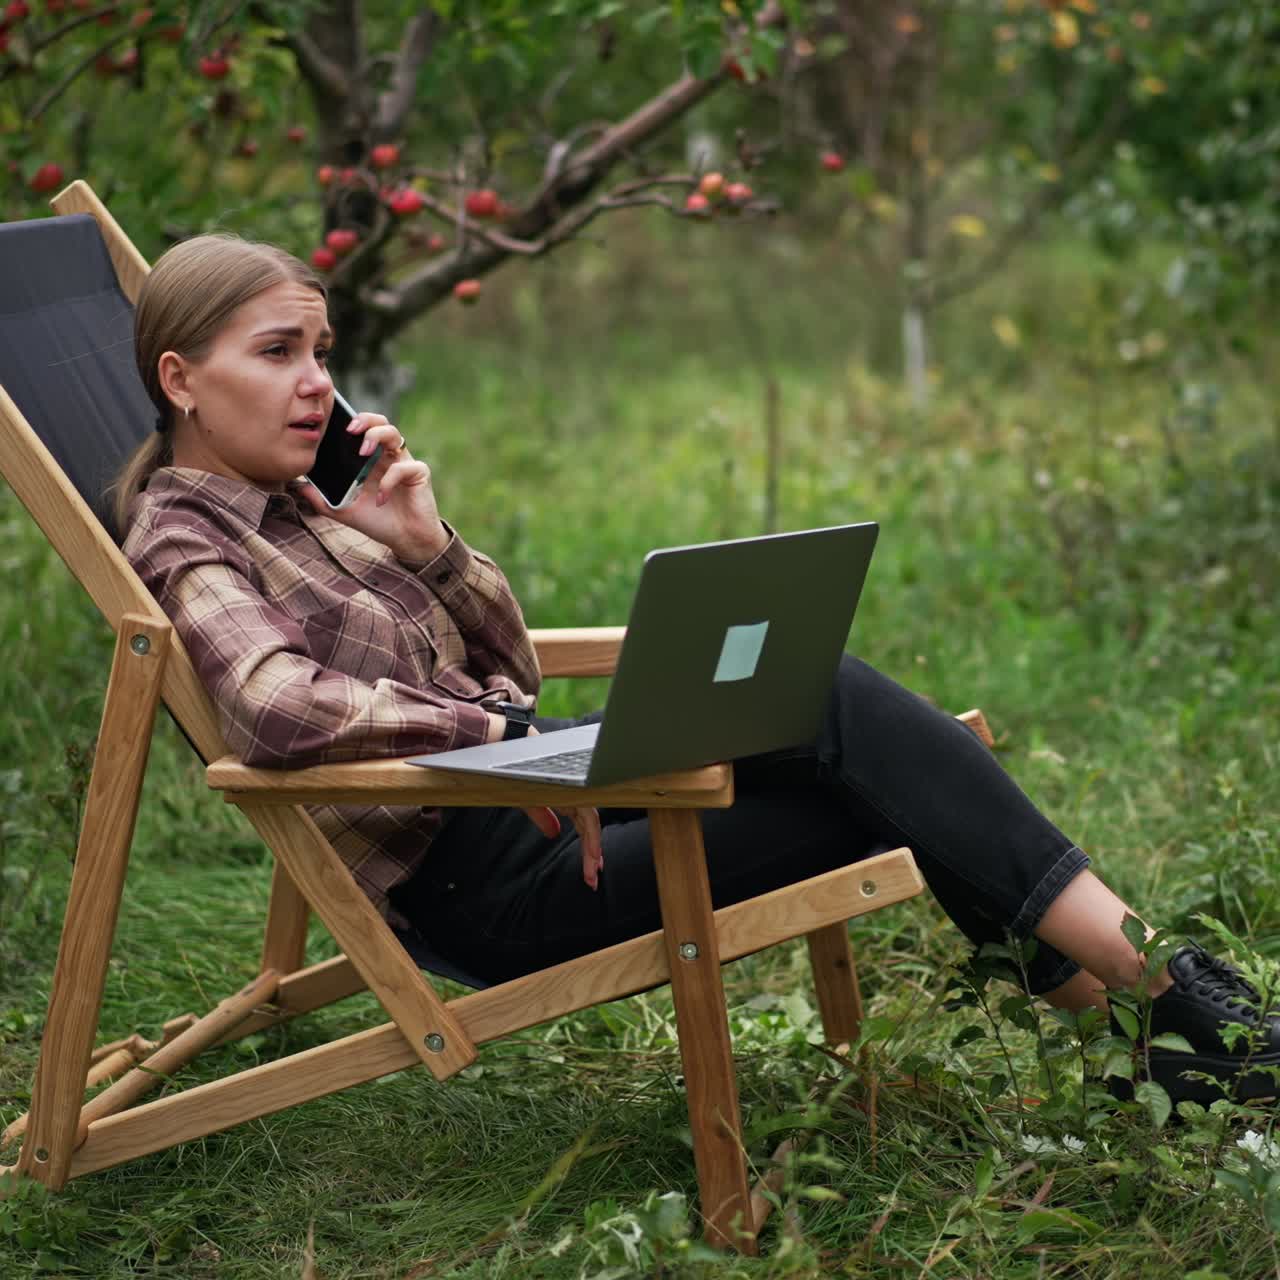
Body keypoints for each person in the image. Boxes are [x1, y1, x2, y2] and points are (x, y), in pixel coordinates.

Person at [118, 233, 1278, 1107]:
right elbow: (270, 708)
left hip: (530, 797)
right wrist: (506, 744)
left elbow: (507, 665)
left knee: (818, 693)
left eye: (319, 349)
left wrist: (429, 549)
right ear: (180, 378)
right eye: (277, 352)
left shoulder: (308, 506)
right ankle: (1178, 1016)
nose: (317, 380)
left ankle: (1166, 1024)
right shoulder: (187, 539)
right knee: (881, 764)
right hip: (488, 882)